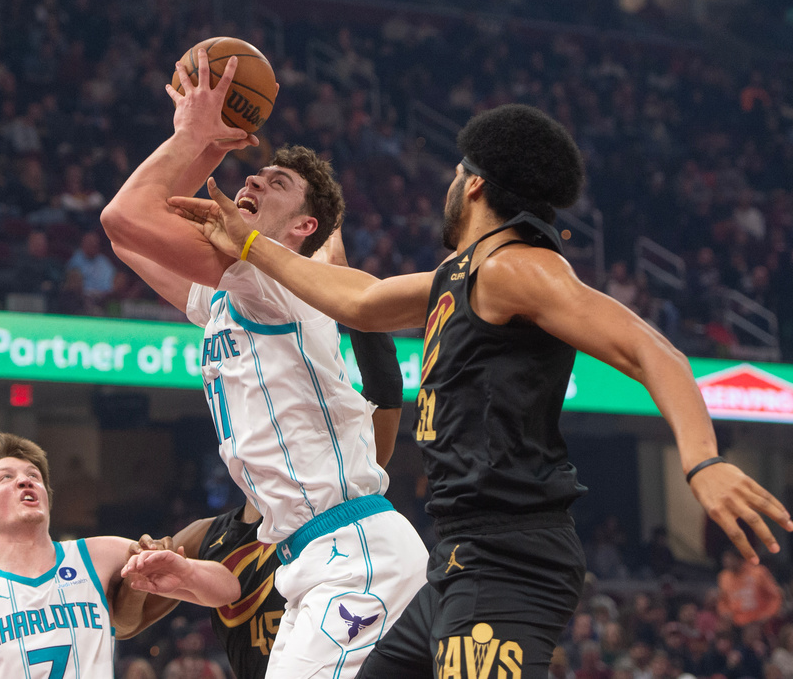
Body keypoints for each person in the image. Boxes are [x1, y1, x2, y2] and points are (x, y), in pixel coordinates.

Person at [170, 102, 793, 677]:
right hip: (460, 558)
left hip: (513, 561)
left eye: (452, 173)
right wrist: (248, 242)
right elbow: (357, 301)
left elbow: (651, 349)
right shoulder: (457, 275)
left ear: (472, 183)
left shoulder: (517, 265)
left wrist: (703, 459)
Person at [100, 49, 428, 678]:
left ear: (305, 226)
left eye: (275, 183)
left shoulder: (274, 281)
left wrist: (194, 137)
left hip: (353, 548)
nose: (252, 181)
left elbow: (126, 213)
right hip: (312, 553)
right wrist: (207, 151)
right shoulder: (229, 297)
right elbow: (125, 236)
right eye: (256, 174)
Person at [116, 256, 407, 679]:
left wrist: (346, 287)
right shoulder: (205, 539)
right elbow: (126, 624)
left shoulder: (344, 490)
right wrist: (136, 575)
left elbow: (385, 389)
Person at [0, 432, 239, 679]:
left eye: (34, 476)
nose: (25, 480)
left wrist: (186, 573)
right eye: (6, 477)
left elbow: (229, 589)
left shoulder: (97, 555)